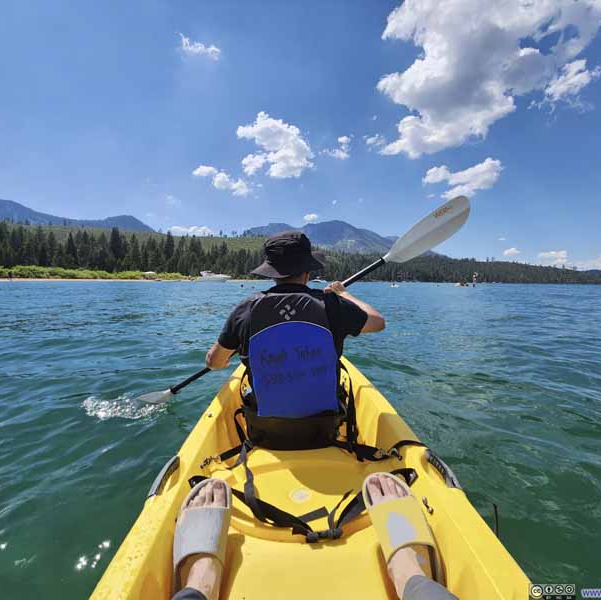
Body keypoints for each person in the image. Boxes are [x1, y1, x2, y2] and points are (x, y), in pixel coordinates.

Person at [204, 231, 385, 448]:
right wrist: (344, 295)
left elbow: (214, 363)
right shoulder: (331, 305)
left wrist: (224, 357)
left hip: (265, 432)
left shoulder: (247, 310)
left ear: (273, 273)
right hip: (323, 431)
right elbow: (377, 321)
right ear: (307, 271)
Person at [171, 474, 459, 600]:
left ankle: (202, 582)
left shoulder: (237, 342)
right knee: (419, 586)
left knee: (196, 590)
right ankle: (410, 573)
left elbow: (216, 361)